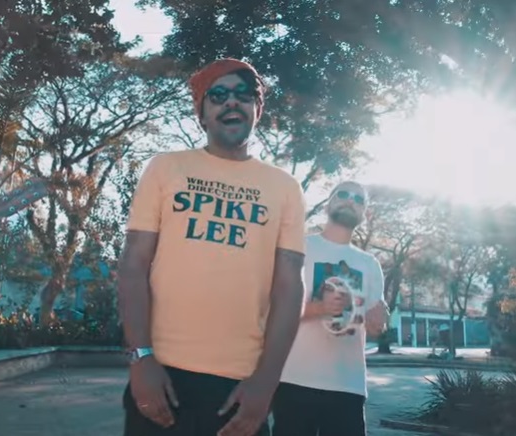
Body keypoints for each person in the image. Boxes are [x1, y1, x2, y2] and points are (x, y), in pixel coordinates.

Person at [117, 58, 307, 436]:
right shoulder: (165, 168)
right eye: (217, 95)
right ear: (202, 114)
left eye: (243, 94)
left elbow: (289, 288)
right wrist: (141, 359)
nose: (231, 102)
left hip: (240, 389)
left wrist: (266, 382)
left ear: (257, 109)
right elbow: (133, 264)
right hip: (162, 378)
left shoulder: (285, 188)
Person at [271, 181, 390, 436]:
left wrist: (379, 323)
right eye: (343, 194)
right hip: (294, 380)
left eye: (359, 199)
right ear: (328, 204)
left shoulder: (370, 264)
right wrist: (319, 308)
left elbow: (374, 326)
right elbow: (273, 310)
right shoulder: (299, 248)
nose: (350, 201)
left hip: (349, 387)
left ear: (364, 213)